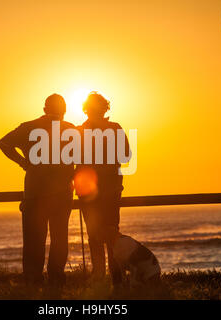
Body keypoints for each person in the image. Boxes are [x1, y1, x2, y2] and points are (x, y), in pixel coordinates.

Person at [0, 94, 75, 287]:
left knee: (34, 239)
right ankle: (56, 278)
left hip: (35, 193)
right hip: (62, 193)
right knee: (59, 238)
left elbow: (3, 143)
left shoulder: (28, 127)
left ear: (44, 109)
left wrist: (23, 162)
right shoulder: (71, 130)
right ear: (63, 110)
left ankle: (32, 280)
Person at [74, 92, 130, 287]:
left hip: (88, 191)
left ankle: (99, 274)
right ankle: (117, 277)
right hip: (111, 189)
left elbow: (71, 158)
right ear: (104, 108)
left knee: (93, 234)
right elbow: (125, 156)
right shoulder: (115, 129)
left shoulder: (79, 131)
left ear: (86, 109)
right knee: (112, 232)